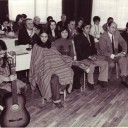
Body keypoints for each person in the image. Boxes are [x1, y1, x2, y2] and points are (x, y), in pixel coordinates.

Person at [29, 30, 74, 108]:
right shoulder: (36, 46)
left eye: (45, 37)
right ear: (39, 37)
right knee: (54, 78)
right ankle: (57, 100)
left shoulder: (51, 45)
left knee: (69, 71)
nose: (44, 39)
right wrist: (47, 65)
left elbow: (57, 55)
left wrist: (62, 60)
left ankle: (57, 91)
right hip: (43, 68)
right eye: (42, 37)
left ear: (48, 37)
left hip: (55, 65)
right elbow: (35, 60)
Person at [74, 23, 108, 90]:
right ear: (82, 29)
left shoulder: (91, 37)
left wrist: (94, 55)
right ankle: (90, 82)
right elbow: (79, 51)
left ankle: (101, 80)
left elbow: (93, 48)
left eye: (89, 28)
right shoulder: (77, 37)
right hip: (82, 58)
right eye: (87, 28)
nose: (88, 29)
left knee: (105, 63)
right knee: (91, 66)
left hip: (92, 57)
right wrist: (89, 57)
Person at [99, 21, 128, 87]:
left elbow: (123, 42)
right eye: (112, 27)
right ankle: (104, 78)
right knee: (111, 64)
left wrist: (124, 52)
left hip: (116, 54)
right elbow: (102, 51)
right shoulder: (103, 37)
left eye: (115, 28)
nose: (114, 29)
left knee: (124, 59)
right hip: (106, 55)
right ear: (108, 27)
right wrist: (113, 55)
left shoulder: (117, 33)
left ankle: (123, 78)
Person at [0, 40, 26, 111]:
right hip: (2, 82)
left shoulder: (4, 58)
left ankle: (16, 106)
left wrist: (13, 74)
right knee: (8, 94)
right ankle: (5, 108)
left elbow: (10, 69)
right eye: (0, 54)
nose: (2, 55)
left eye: (4, 53)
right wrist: (7, 78)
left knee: (23, 87)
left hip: (8, 80)